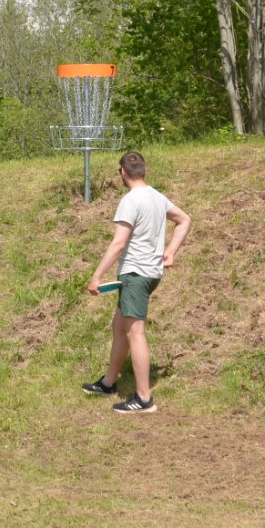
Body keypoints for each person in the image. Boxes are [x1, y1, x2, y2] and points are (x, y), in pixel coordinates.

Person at [84, 151, 191, 413]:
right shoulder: (157, 197)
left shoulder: (130, 200)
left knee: (135, 332)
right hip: (150, 273)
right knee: (120, 326)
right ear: (145, 171)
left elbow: (119, 242)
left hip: (136, 275)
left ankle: (144, 399)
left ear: (122, 173)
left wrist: (97, 275)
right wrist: (171, 251)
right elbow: (184, 220)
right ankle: (109, 383)